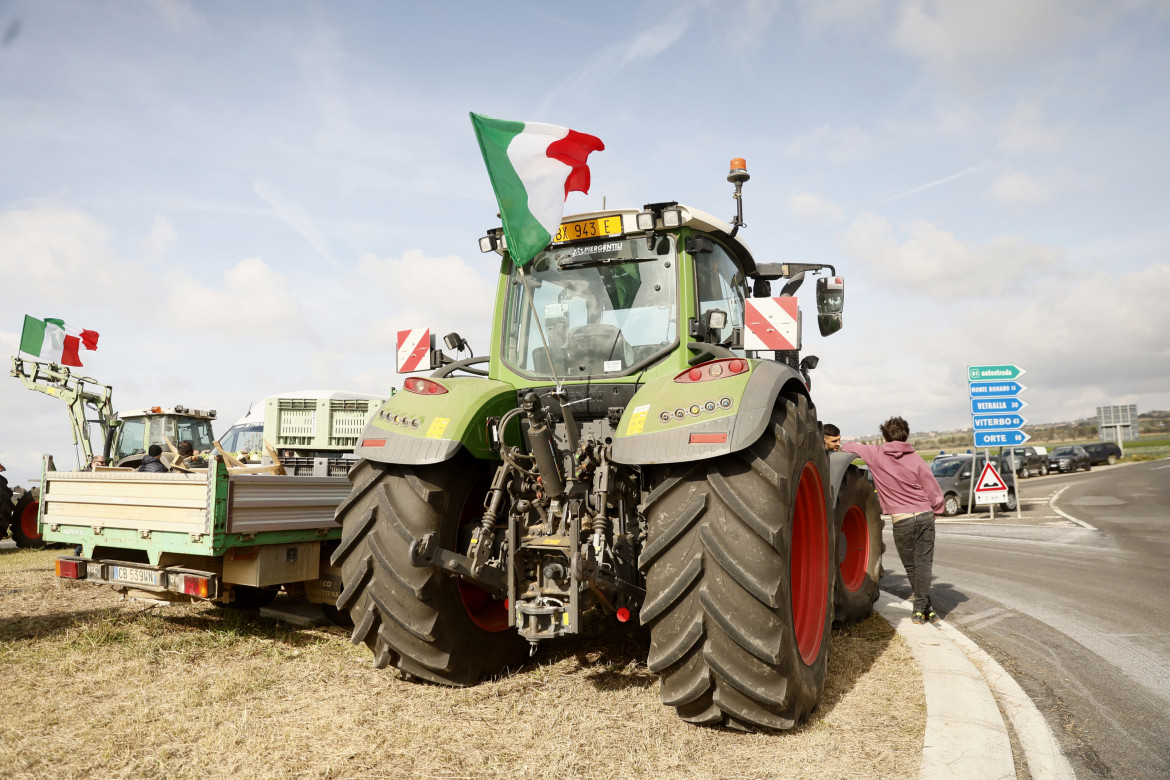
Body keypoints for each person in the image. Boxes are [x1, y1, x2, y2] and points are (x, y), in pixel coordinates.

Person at [841, 416, 944, 626]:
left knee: (912, 567)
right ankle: (927, 609)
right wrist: (937, 509)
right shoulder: (917, 460)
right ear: (906, 434)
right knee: (923, 565)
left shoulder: (875, 454)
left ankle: (919, 610)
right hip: (925, 516)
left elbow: (848, 446)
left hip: (902, 520)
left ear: (884, 436)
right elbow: (933, 490)